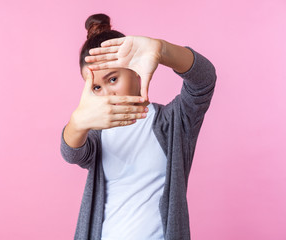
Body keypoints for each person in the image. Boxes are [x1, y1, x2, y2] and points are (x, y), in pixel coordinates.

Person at [60, 13, 217, 240]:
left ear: (136, 71)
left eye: (113, 79)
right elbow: (71, 153)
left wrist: (162, 50)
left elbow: (204, 81)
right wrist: (78, 121)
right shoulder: (97, 133)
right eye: (96, 87)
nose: (106, 93)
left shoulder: (172, 122)